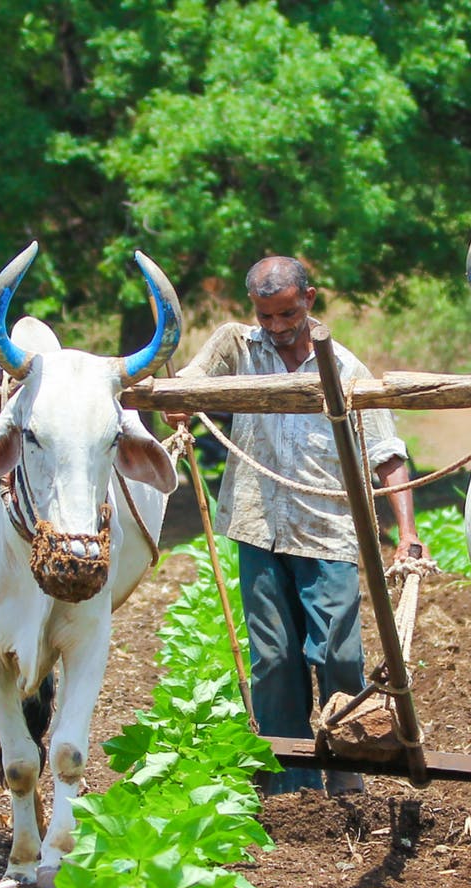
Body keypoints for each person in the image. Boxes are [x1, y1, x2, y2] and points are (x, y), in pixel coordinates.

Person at [165, 255, 428, 795]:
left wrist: (406, 533)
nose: (277, 328)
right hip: (258, 527)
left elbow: (387, 454)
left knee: (338, 655)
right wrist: (177, 404)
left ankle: (348, 773)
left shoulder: (347, 371)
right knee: (274, 660)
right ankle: (291, 789)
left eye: (287, 314)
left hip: (329, 530)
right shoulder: (235, 347)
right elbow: (185, 387)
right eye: (266, 317)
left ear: (309, 299)